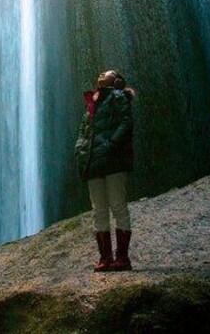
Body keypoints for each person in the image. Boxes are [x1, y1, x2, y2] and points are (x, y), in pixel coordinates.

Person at [74, 69, 135, 272]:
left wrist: (110, 144)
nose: (101, 73)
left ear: (116, 80)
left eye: (107, 73)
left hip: (113, 161)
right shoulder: (91, 102)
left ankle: (122, 258)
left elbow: (126, 123)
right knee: (98, 210)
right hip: (93, 163)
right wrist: (80, 149)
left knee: (118, 206)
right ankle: (105, 258)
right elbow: (84, 131)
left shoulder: (117, 97)